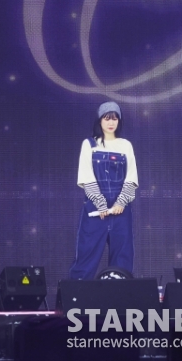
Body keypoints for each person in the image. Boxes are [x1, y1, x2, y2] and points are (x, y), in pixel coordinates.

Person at [68, 102, 138, 279]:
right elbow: (86, 177)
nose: (111, 122)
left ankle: (119, 294)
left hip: (121, 212)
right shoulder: (89, 144)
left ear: (119, 121)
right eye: (107, 118)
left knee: (122, 259)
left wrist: (121, 203)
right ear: (99, 121)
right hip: (95, 210)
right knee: (86, 257)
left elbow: (131, 177)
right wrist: (100, 204)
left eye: (114, 118)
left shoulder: (125, 145)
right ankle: (77, 293)